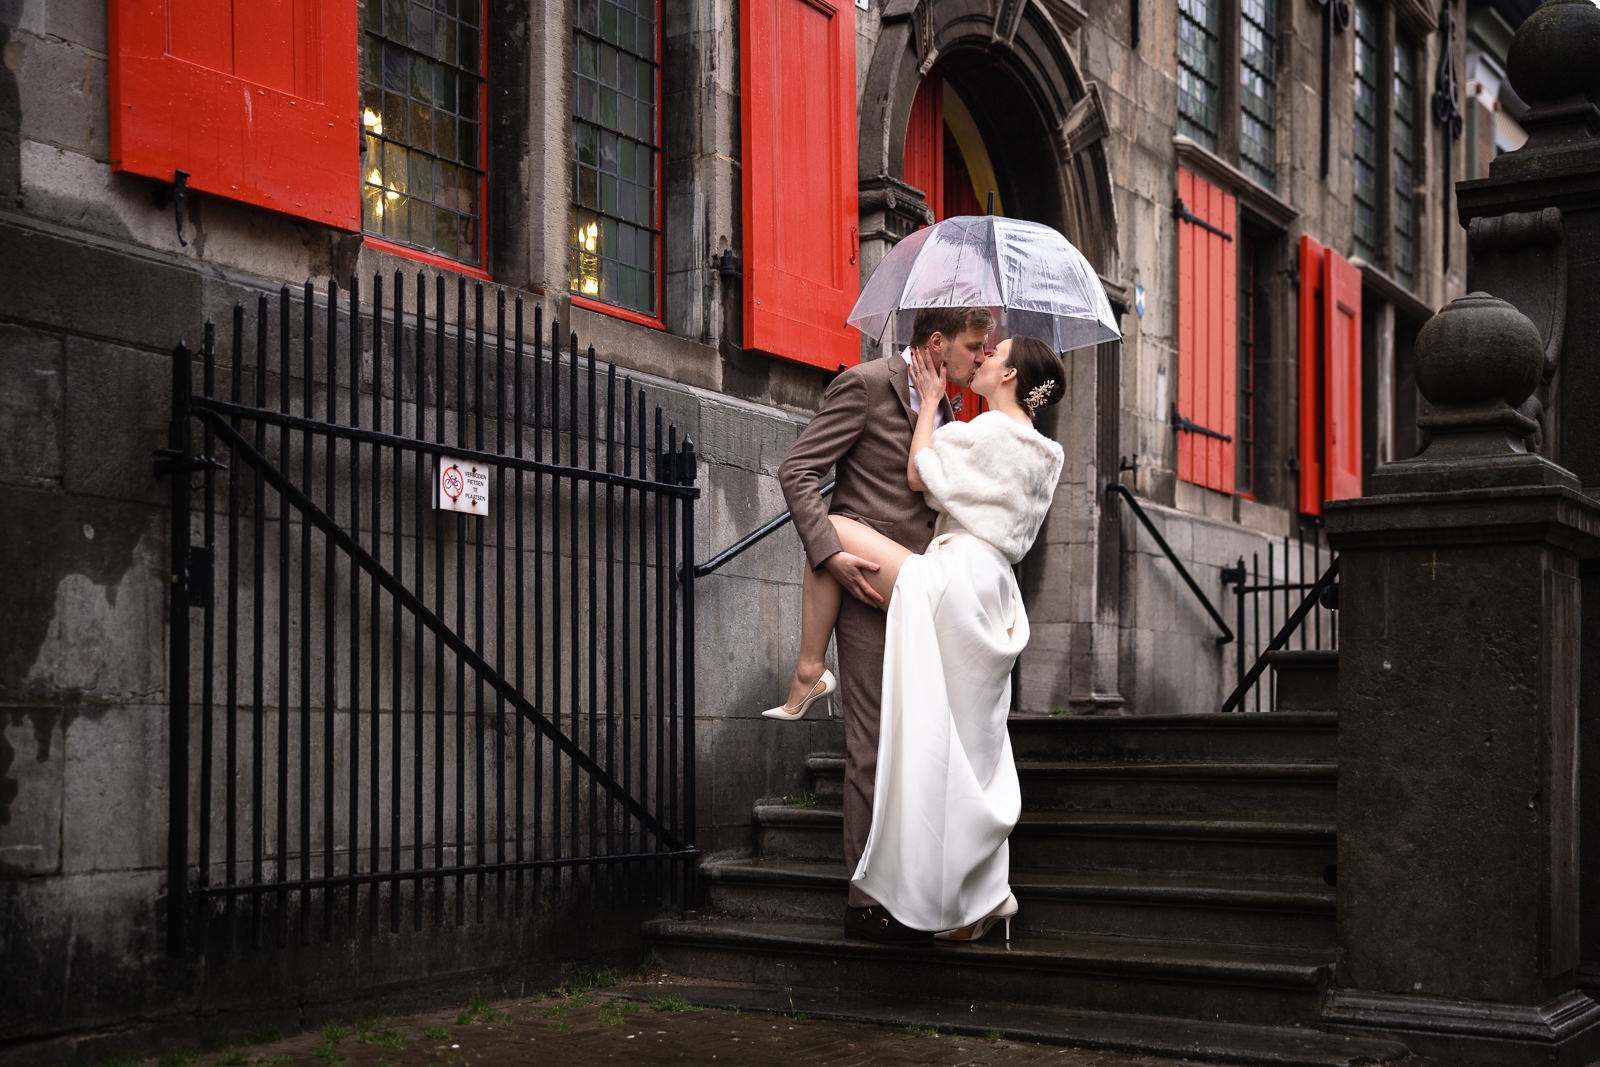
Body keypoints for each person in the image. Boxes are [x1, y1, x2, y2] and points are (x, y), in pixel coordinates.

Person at [778, 331, 1068, 944]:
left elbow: (917, 474)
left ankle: (808, 670)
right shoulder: (1048, 452)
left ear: (1012, 377)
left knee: (828, 534)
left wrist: (932, 403)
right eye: (978, 346)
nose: (984, 357)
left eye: (994, 353)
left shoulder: (983, 430)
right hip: (996, 595)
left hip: (953, 576)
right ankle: (971, 905)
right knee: (967, 752)